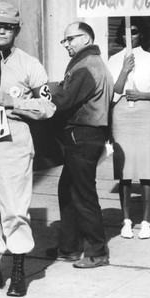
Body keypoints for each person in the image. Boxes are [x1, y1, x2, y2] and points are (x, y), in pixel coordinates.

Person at [0, 2, 55, 297]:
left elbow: (48, 106)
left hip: (13, 142)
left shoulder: (28, 64)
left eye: (7, 26)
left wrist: (15, 102)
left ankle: (18, 273)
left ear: (16, 30)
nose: (1, 30)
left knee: (15, 210)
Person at [46, 21, 114, 269]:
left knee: (83, 195)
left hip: (82, 136)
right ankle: (69, 247)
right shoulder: (95, 64)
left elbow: (64, 100)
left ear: (86, 39)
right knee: (69, 190)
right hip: (87, 136)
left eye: (70, 39)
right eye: (64, 40)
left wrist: (41, 93)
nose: (66, 44)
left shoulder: (86, 67)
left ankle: (97, 252)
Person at [107, 17, 150, 239]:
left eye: (134, 31)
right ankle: (125, 221)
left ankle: (146, 221)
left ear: (140, 33)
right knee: (124, 173)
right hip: (121, 115)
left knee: (145, 171)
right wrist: (124, 71)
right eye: (126, 32)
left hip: (145, 114)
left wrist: (145, 95)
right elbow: (111, 95)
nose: (130, 36)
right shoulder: (113, 60)